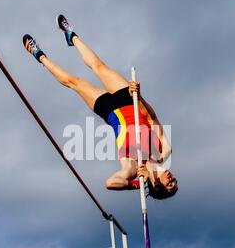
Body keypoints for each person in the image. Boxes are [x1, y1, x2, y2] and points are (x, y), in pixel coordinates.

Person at [23, 15, 178, 199]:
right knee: (99, 65)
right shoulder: (164, 151)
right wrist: (139, 96)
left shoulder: (132, 170)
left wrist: (138, 183)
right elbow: (152, 118)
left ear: (158, 188)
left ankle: (39, 56)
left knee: (75, 82)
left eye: (170, 185)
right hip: (130, 100)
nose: (172, 179)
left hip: (111, 112)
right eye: (175, 181)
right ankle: (71, 35)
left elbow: (110, 183)